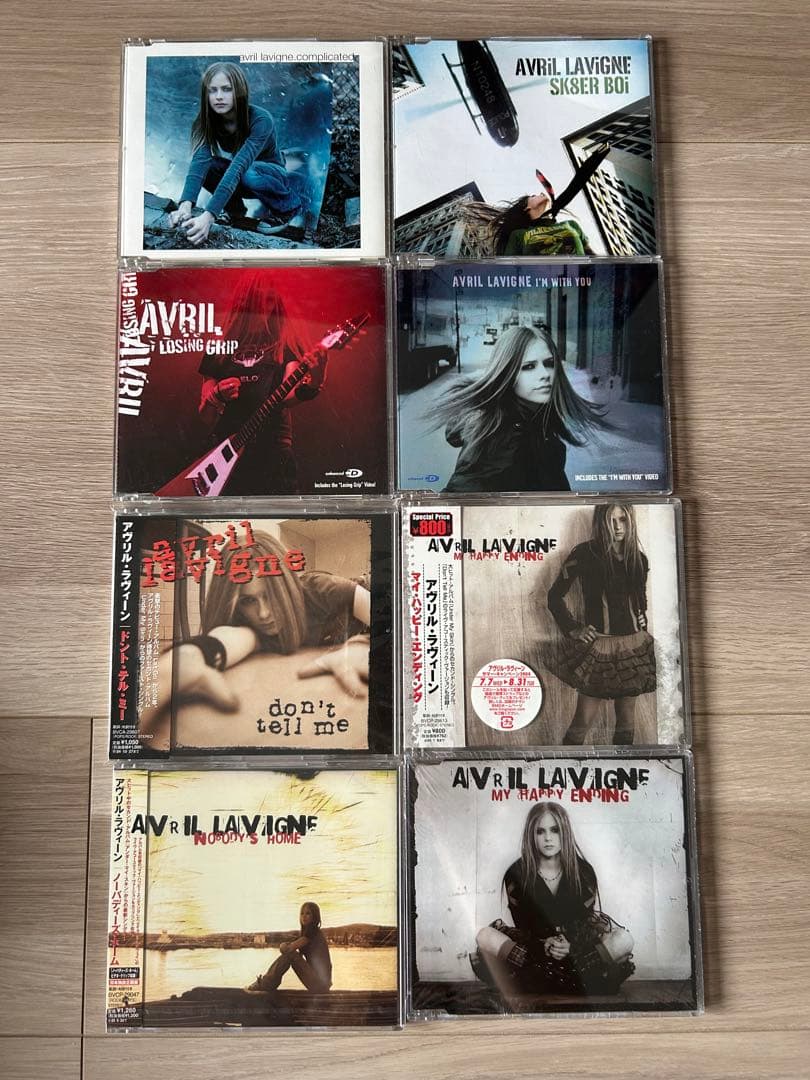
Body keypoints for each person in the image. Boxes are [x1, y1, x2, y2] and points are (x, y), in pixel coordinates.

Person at [139, 530, 371, 749]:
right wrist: (185, 659)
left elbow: (389, 620)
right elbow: (225, 640)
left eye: (271, 596)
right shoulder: (249, 627)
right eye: (248, 601)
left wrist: (360, 646)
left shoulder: (322, 589)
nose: (264, 613)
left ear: (286, 586)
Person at [425, 323, 611, 492]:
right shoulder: (501, 438)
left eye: (549, 363)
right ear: (507, 372)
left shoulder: (536, 418)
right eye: (529, 366)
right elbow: (461, 499)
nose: (545, 374)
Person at [472, 803, 634, 997]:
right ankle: (569, 979)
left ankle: (550, 977)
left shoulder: (584, 872)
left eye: (555, 830)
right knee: (484, 936)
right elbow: (523, 927)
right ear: (531, 835)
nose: (548, 838)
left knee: (624, 940)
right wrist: (543, 946)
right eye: (540, 831)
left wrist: (570, 947)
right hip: (534, 953)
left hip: (576, 953)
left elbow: (585, 924)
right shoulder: (516, 874)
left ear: (564, 831)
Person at [195, 273, 327, 496]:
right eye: (258, 299)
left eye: (271, 299)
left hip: (272, 452)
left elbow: (289, 396)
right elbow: (205, 416)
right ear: (244, 301)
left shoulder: (286, 343)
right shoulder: (218, 347)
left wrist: (316, 380)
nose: (265, 306)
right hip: (225, 455)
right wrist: (217, 395)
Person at [546, 503, 656, 744]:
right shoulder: (583, 554)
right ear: (600, 522)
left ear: (630, 521)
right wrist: (573, 628)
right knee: (581, 723)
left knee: (626, 721)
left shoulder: (639, 558)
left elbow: (640, 597)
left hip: (633, 647)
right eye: (611, 520)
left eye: (623, 519)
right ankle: (567, 765)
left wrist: (642, 616)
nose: (617, 526)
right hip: (599, 647)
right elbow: (554, 596)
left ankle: (622, 766)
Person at [168, 62, 306, 246]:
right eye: (212, 90)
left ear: (239, 91)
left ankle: (288, 208)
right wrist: (185, 206)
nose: (219, 96)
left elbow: (238, 167)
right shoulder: (204, 121)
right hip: (244, 176)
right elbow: (199, 163)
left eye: (226, 89)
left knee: (248, 172)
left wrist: (209, 216)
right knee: (209, 165)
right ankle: (235, 212)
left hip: (271, 175)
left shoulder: (261, 119)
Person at [464, 143, 611, 256]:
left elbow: (593, 257)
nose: (540, 192)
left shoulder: (571, 225)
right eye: (533, 196)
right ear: (527, 208)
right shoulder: (518, 236)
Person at [249, 902, 332, 993]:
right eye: (302, 913)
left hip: (320, 985)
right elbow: (292, 949)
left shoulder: (313, 932)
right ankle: (267, 983)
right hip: (321, 985)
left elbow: (288, 949)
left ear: (315, 917)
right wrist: (286, 946)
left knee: (290, 954)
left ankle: (266, 983)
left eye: (308, 913)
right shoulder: (308, 934)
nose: (304, 916)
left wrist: (284, 946)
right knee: (290, 955)